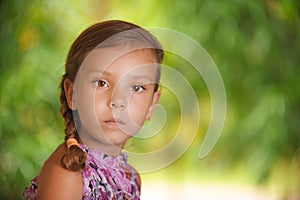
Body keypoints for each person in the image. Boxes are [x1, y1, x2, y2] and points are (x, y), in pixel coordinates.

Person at [23, 19, 164, 200]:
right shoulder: (67, 175)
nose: (117, 101)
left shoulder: (130, 177)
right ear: (72, 94)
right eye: (102, 83)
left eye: (136, 88)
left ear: (151, 104)